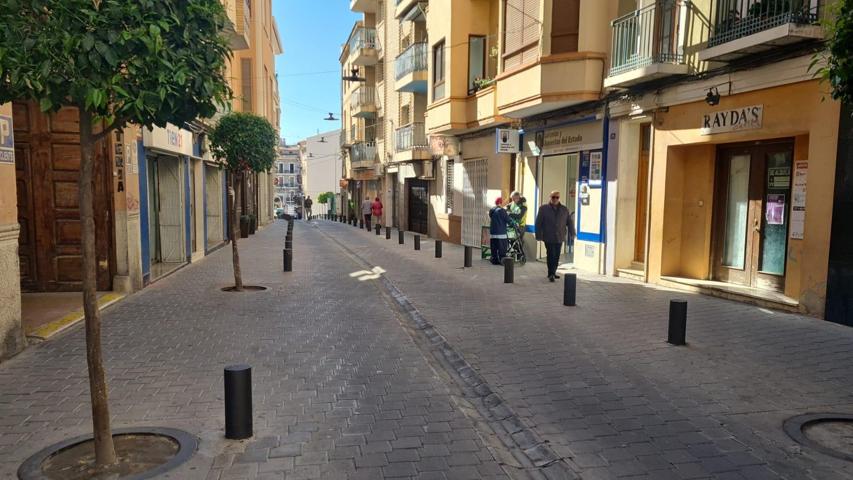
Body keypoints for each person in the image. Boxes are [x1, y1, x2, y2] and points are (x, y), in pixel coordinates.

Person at [535, 190, 574, 282]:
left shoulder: (564, 209)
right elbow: (538, 223)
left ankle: (554, 272)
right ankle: (551, 273)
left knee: (556, 255)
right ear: (550, 197)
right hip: (548, 236)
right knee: (551, 254)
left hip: (560, 236)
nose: (555, 199)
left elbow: (569, 222)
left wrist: (572, 233)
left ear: (559, 198)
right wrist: (538, 235)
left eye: (557, 197)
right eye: (553, 197)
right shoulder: (543, 208)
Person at [489, 197, 510, 265]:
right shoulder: (501, 210)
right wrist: (513, 223)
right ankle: (502, 260)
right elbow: (508, 219)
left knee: (494, 247)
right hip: (501, 233)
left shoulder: (492, 210)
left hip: (493, 233)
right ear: (500, 203)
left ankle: (494, 260)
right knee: (502, 247)